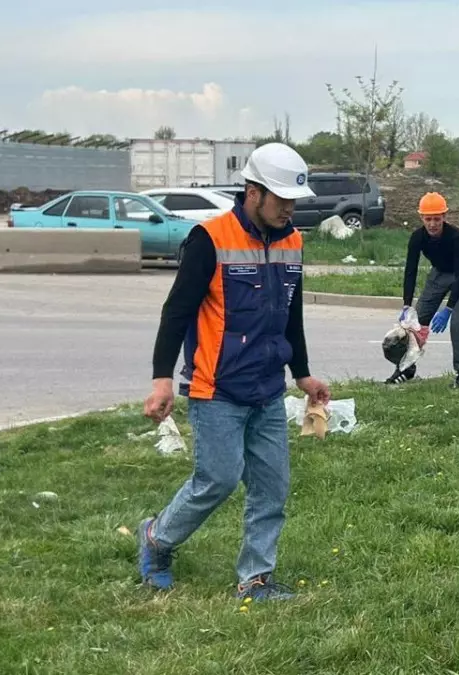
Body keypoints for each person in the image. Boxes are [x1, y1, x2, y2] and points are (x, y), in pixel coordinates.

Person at [139, 142, 330, 601]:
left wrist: (302, 374)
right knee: (218, 480)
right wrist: (162, 377)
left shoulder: (292, 241)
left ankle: (256, 579)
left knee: (272, 488)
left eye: (293, 201)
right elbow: (177, 311)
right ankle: (156, 539)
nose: (288, 209)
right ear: (252, 191)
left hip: (266, 389)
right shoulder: (210, 239)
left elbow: (291, 313)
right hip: (216, 389)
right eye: (280, 199)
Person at [389, 191, 459, 388]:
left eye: (437, 219)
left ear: (444, 217)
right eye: (428, 219)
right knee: (414, 324)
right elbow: (410, 270)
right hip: (438, 275)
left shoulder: (457, 238)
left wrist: (449, 309)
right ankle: (405, 369)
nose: (433, 224)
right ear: (422, 218)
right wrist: (406, 305)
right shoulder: (417, 237)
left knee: (457, 325)